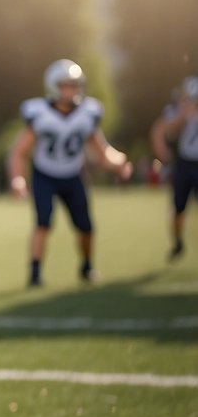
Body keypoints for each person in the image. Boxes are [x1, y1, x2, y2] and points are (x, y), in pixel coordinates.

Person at [8, 59, 133, 286]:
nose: (72, 90)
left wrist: (120, 162)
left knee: (86, 226)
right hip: (44, 174)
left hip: (72, 174)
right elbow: (19, 151)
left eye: (75, 85)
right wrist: (18, 180)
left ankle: (86, 266)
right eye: (67, 85)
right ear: (54, 87)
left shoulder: (87, 112)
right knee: (43, 223)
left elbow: (101, 150)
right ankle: (35, 273)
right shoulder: (40, 113)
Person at [155, 77, 198, 260]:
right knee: (178, 207)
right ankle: (178, 242)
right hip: (183, 164)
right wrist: (183, 115)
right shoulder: (176, 112)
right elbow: (162, 131)